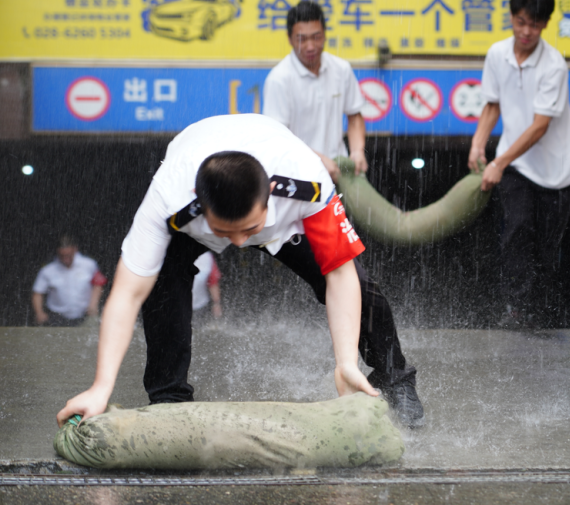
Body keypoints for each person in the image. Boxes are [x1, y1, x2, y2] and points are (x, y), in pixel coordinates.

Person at [56, 115, 424, 428]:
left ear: (270, 199)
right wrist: (101, 387)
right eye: (223, 232)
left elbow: (339, 275)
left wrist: (345, 362)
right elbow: (126, 292)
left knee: (359, 280)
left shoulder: (306, 181)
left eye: (248, 230)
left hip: (279, 192)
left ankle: (395, 379)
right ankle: (169, 398)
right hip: (192, 195)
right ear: (200, 203)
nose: (236, 243)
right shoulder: (168, 199)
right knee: (160, 283)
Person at [468, 0, 570, 328]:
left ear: (545, 24)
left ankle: (543, 316)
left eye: (535, 24)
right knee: (516, 232)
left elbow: (539, 126)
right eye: (520, 22)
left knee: (547, 248)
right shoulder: (497, 54)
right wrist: (478, 144)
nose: (526, 31)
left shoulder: (554, 65)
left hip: (556, 171)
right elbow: (492, 104)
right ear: (511, 18)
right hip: (516, 164)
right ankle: (517, 310)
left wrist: (498, 163)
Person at [263, 0, 367, 184]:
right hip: (298, 178)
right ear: (289, 39)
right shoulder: (279, 80)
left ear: (325, 35)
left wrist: (357, 151)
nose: (310, 46)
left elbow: (354, 115)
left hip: (338, 172)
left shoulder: (341, 69)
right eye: (302, 39)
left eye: (316, 37)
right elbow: (278, 139)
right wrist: (317, 159)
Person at [32, 237, 106, 327]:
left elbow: (98, 283)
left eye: (69, 255)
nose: (66, 259)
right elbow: (38, 292)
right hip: (57, 317)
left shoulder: (89, 264)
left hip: (84, 314)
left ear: (75, 249)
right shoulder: (47, 270)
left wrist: (93, 304)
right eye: (62, 256)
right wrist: (39, 312)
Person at [191, 251, 223, 321]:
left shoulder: (207, 257)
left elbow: (213, 282)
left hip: (200, 305)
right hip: (179, 305)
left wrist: (216, 303)